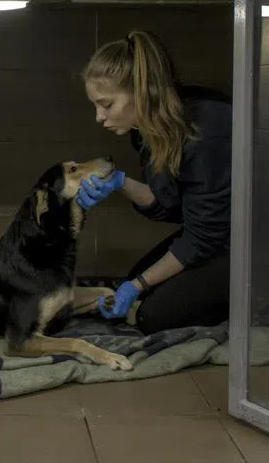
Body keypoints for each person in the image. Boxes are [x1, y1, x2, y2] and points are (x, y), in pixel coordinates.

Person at [75, 30, 232, 335]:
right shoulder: (147, 129)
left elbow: (202, 238)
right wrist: (120, 183)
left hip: (255, 246)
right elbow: (170, 204)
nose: (99, 117)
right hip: (215, 233)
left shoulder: (204, 132)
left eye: (106, 105)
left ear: (141, 92)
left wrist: (138, 286)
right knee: (137, 281)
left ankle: (266, 296)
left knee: (151, 316)